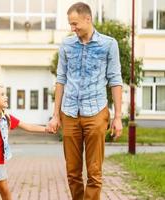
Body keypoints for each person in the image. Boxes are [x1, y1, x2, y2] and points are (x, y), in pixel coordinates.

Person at [48, 2, 123, 200]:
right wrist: (55, 115)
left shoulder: (109, 44)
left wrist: (118, 117)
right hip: (70, 112)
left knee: (94, 173)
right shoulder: (67, 44)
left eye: (75, 24)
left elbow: (115, 80)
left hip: (96, 112)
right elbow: (61, 79)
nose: (72, 28)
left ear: (87, 19)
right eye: (70, 24)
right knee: (72, 173)